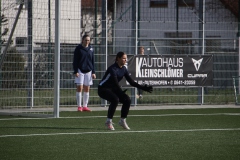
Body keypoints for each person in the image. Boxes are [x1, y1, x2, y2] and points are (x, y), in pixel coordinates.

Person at [98, 52, 153, 130]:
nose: (125, 60)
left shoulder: (124, 69)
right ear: (118, 58)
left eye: (126, 58)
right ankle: (108, 122)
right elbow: (115, 82)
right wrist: (120, 92)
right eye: (123, 58)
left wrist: (143, 88)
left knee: (127, 100)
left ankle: (122, 121)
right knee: (115, 99)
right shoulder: (112, 68)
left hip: (113, 89)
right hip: (103, 89)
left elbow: (131, 82)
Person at [73, 34, 96, 112]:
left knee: (87, 88)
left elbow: (92, 61)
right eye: (86, 40)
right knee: (80, 87)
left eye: (88, 40)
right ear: (82, 40)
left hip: (89, 71)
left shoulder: (91, 49)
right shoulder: (78, 49)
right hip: (80, 70)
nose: (87, 42)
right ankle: (79, 106)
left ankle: (85, 106)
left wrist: (93, 72)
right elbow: (75, 60)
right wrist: (75, 71)